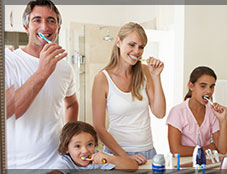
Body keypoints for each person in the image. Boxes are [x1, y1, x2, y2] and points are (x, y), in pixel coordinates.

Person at [5, 0, 78, 168]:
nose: (45, 27)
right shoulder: (9, 61)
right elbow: (7, 111)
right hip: (18, 166)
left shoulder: (65, 68)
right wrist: (42, 73)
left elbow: (72, 104)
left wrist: (69, 142)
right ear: (26, 27)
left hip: (56, 163)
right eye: (37, 20)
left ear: (58, 29)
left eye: (51, 20)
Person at [92, 22, 166, 165]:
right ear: (118, 42)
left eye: (141, 47)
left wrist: (156, 77)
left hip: (147, 151)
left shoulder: (146, 72)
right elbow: (99, 127)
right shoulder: (102, 79)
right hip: (117, 154)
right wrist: (125, 157)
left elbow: (160, 113)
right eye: (131, 45)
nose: (136, 51)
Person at [167, 66, 227, 156]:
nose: (208, 91)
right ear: (191, 86)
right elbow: (176, 150)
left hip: (205, 163)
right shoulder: (177, 112)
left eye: (211, 87)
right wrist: (208, 148)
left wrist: (223, 120)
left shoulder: (213, 112)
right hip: (183, 164)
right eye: (203, 86)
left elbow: (223, 149)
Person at [51, 121, 138, 172]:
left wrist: (110, 159)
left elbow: (133, 166)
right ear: (66, 148)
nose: (85, 151)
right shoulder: (66, 162)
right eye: (77, 146)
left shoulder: (99, 158)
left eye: (89, 144)